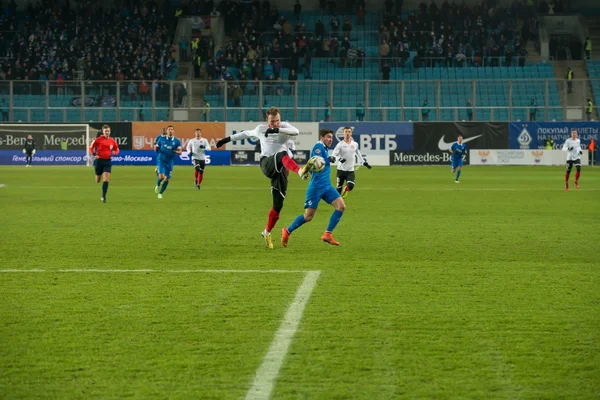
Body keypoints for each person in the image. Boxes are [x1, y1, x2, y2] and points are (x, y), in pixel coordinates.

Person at [215, 106, 314, 249]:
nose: (276, 123)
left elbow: (296, 132)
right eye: (273, 121)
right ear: (267, 120)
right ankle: (300, 171)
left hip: (280, 170)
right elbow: (245, 134)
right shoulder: (260, 129)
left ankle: (266, 233)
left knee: (278, 206)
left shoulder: (284, 127)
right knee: (282, 154)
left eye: (278, 120)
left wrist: (277, 129)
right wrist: (226, 139)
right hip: (267, 164)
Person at [281, 129, 347, 247]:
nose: (330, 139)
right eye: (328, 137)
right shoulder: (318, 147)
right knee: (308, 216)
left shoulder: (324, 148)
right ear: (322, 137)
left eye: (331, 137)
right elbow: (316, 162)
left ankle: (327, 234)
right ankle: (287, 231)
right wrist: (328, 160)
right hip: (316, 188)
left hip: (327, 186)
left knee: (341, 206)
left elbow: (316, 164)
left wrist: (333, 159)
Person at [330, 126, 371, 199]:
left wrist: (364, 162)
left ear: (351, 133)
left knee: (351, 185)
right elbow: (333, 155)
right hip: (341, 170)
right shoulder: (340, 144)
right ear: (343, 133)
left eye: (349, 132)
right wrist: (339, 159)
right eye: (346, 132)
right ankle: (338, 203)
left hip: (350, 171)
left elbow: (358, 153)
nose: (347, 133)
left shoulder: (355, 144)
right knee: (338, 189)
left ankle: (345, 190)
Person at [89, 125, 120, 203]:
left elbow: (117, 149)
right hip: (99, 161)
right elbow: (90, 147)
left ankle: (103, 196)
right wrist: (94, 154)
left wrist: (115, 152)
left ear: (110, 131)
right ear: (103, 131)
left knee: (106, 179)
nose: (107, 132)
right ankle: (97, 174)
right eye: (105, 131)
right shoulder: (98, 139)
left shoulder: (112, 140)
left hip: (107, 161)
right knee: (98, 180)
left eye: (108, 131)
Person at [154, 125, 182, 199]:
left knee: (167, 178)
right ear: (167, 131)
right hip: (161, 160)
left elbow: (180, 152)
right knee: (162, 176)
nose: (170, 130)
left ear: (173, 131)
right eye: (169, 129)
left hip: (169, 162)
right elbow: (156, 148)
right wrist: (156, 149)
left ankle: (160, 193)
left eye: (172, 129)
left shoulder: (177, 141)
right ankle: (157, 184)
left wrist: (174, 151)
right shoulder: (161, 139)